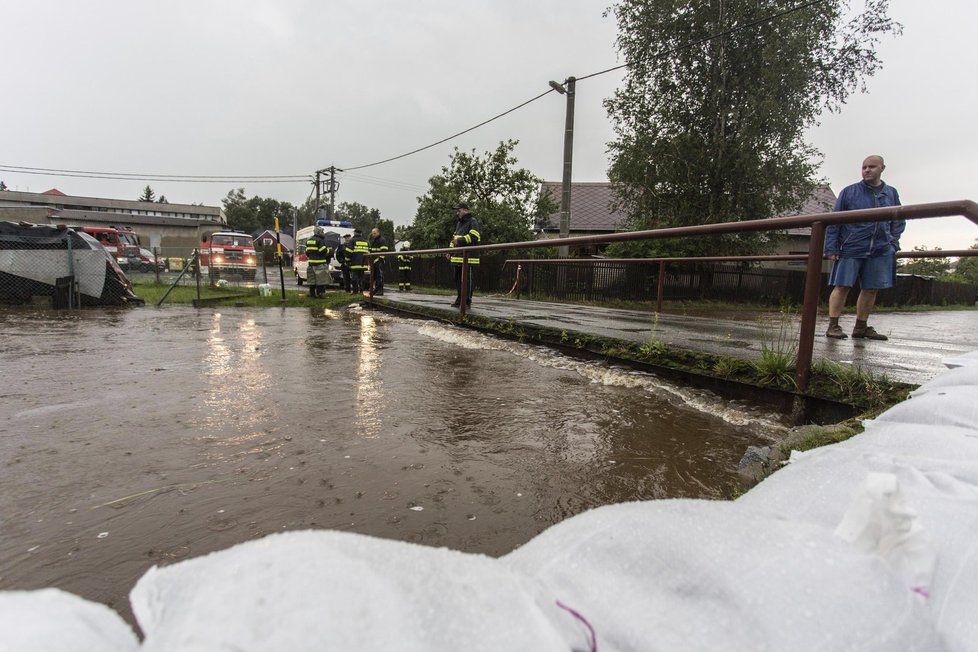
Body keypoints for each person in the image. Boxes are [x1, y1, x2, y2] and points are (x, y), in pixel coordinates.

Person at [824, 155, 905, 340]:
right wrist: (832, 248)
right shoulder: (850, 192)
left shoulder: (891, 193)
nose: (867, 170)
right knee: (842, 286)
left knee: (871, 288)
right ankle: (833, 326)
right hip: (851, 247)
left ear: (882, 168)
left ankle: (861, 327)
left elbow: (899, 219)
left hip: (880, 249)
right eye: (864, 167)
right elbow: (834, 221)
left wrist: (893, 242)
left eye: (872, 167)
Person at [449, 202, 481, 307]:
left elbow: (474, 237)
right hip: (457, 257)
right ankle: (459, 300)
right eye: (457, 210)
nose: (457, 212)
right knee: (458, 280)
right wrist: (450, 251)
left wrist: (460, 241)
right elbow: (454, 239)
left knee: (467, 281)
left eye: (459, 210)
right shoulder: (459, 224)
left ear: (465, 210)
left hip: (469, 258)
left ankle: (466, 301)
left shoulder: (473, 221)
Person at [304, 225, 331, 298]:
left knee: (312, 280)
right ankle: (320, 294)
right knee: (321, 279)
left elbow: (307, 252)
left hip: (311, 263)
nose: (323, 233)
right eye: (322, 231)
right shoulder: (320, 240)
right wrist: (328, 250)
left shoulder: (309, 240)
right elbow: (323, 251)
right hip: (320, 263)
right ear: (319, 232)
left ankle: (312, 294)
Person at [348, 228, 370, 293]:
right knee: (362, 278)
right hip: (364, 264)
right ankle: (361, 290)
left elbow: (349, 252)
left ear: (355, 233)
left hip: (355, 263)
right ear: (361, 234)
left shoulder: (352, 241)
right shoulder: (366, 241)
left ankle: (355, 291)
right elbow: (369, 252)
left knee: (354, 278)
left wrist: (347, 261)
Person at [368, 227, 389, 296]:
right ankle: (376, 290)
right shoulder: (374, 240)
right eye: (372, 233)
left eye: (375, 233)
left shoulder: (381, 240)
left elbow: (384, 251)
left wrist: (378, 259)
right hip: (374, 261)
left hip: (379, 261)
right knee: (374, 276)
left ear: (378, 233)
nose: (373, 234)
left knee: (379, 276)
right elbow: (371, 251)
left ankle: (380, 290)